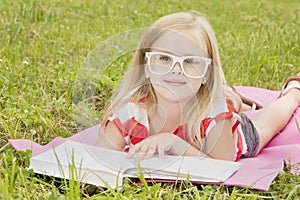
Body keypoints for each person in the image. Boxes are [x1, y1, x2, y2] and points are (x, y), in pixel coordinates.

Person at [96, 12, 300, 161]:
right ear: (146, 66)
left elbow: (223, 165)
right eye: (164, 58)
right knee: (227, 98)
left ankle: (293, 92)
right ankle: (234, 96)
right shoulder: (128, 112)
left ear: (206, 74)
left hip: (226, 137)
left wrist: (173, 143)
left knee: (264, 125)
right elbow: (98, 159)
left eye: (191, 61)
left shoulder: (215, 113)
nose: (176, 70)